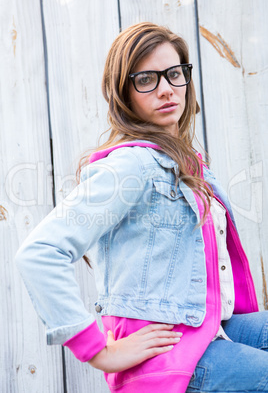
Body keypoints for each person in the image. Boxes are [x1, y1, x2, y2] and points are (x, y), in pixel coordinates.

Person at [15, 22, 268, 393]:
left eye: (175, 74)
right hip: (168, 354)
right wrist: (99, 351)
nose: (166, 89)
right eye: (146, 79)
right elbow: (38, 252)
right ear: (125, 93)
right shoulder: (129, 166)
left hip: (210, 325)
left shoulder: (185, 162)